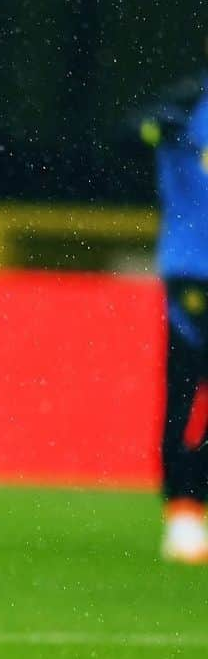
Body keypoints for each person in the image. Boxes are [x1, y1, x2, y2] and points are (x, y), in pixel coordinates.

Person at [135, 49, 208, 563]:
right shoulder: (187, 108)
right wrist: (157, 119)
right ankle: (182, 507)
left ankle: (191, 500)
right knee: (185, 386)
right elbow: (131, 134)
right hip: (195, 268)